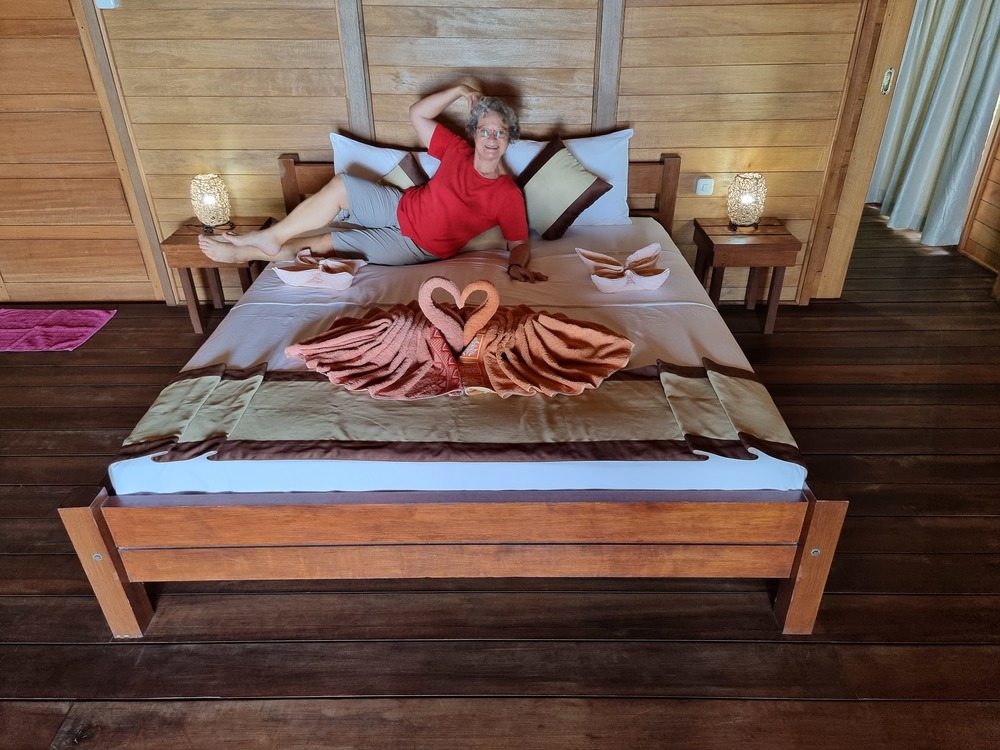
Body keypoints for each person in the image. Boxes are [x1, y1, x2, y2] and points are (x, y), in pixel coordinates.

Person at [198, 84, 547, 283]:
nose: (491, 139)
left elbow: (518, 242)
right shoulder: (456, 149)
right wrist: (458, 90)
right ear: (474, 132)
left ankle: (244, 253)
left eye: (499, 133)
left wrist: (517, 266)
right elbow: (418, 113)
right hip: (399, 205)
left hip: (418, 245)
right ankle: (273, 236)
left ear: (509, 139)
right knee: (341, 184)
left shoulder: (507, 194)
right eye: (485, 130)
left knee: (325, 243)